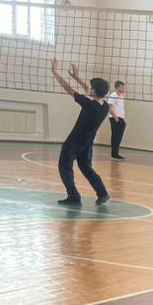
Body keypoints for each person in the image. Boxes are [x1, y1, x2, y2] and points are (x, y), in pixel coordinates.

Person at [49, 60, 111, 207]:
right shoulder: (105, 107)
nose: (89, 89)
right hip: (88, 143)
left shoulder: (90, 105)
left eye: (91, 88)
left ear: (94, 91)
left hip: (74, 141)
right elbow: (89, 91)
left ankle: (74, 196)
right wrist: (76, 77)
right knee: (86, 168)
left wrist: (55, 72)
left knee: (64, 166)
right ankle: (102, 193)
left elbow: (68, 89)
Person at [107, 81, 127, 160]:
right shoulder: (113, 95)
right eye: (122, 87)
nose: (123, 88)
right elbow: (110, 107)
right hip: (115, 118)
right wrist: (115, 118)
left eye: (123, 87)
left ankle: (116, 153)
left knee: (119, 137)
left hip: (121, 118)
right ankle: (114, 154)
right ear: (117, 87)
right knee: (115, 136)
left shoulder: (121, 96)